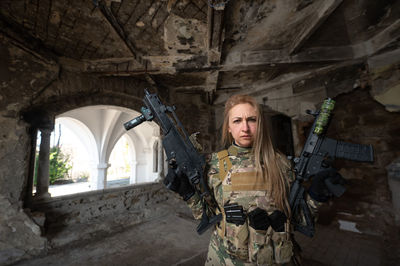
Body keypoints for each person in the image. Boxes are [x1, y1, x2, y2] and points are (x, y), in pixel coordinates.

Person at [165, 94, 331, 265]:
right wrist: (188, 194)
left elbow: (298, 220)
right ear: (228, 127)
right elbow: (207, 216)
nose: (245, 128)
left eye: (252, 120)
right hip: (225, 260)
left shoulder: (281, 163)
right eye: (237, 121)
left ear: (260, 125)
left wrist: (316, 197)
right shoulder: (212, 164)